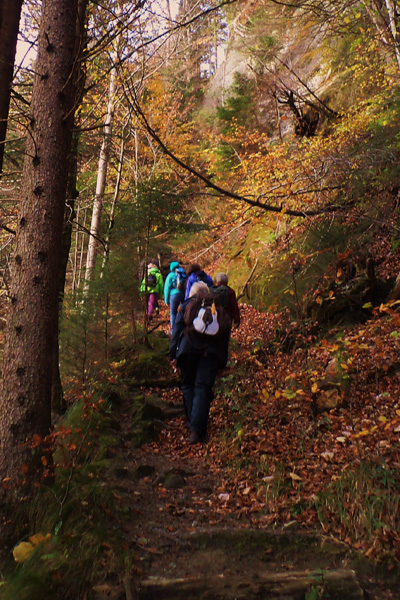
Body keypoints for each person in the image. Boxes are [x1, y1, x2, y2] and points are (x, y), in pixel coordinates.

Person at [169, 281, 231, 444]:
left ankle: (192, 421)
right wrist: (221, 363)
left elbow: (176, 330)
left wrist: (172, 355)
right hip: (210, 354)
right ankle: (197, 430)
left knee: (188, 385)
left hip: (187, 350)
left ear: (194, 293)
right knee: (202, 388)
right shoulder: (219, 310)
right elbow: (225, 339)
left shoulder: (188, 304)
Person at [164, 261, 186, 332]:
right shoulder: (183, 273)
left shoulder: (170, 275)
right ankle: (183, 327)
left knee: (173, 312)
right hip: (183, 294)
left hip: (174, 295)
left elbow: (167, 288)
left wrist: (166, 300)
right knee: (184, 311)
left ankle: (173, 330)